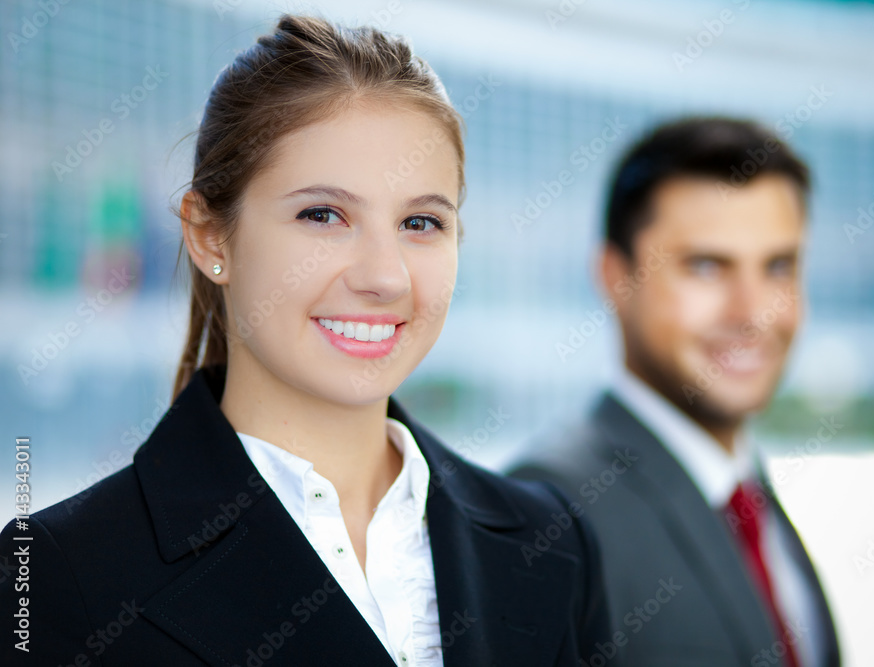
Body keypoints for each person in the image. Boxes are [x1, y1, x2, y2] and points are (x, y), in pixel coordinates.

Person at [0, 16, 612, 666]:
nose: (384, 276)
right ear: (210, 236)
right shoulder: (56, 577)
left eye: (421, 221)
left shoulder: (553, 540)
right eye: (322, 215)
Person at [509, 117, 841, 666]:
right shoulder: (550, 514)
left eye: (778, 266)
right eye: (707, 267)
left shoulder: (749, 497)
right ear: (616, 277)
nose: (752, 313)